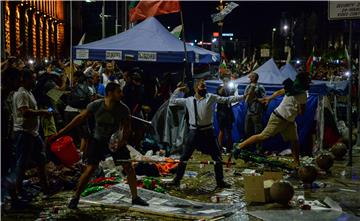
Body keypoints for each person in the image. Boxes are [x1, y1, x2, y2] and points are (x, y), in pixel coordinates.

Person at [49, 82, 148, 209]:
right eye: (119, 91)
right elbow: (79, 118)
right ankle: (75, 197)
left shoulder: (123, 109)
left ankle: (135, 197)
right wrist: (60, 133)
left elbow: (127, 128)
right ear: (110, 92)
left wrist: (122, 142)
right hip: (98, 140)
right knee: (90, 169)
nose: (121, 94)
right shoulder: (96, 105)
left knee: (128, 167)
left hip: (114, 142)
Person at [169, 79, 243, 188]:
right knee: (184, 157)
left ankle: (220, 181)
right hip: (194, 132)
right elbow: (172, 101)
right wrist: (178, 89)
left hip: (208, 132)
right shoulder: (188, 100)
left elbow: (227, 100)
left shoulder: (211, 97)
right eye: (202, 87)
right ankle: (177, 179)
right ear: (196, 88)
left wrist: (243, 96)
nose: (204, 89)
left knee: (217, 158)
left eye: (205, 87)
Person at [234, 72, 311, 167]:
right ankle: (239, 146)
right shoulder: (302, 94)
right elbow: (301, 112)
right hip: (278, 118)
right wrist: (298, 106)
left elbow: (278, 92)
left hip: (289, 121)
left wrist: (269, 99)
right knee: (262, 136)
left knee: (294, 140)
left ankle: (296, 162)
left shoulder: (290, 88)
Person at [8, 69, 51, 208]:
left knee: (41, 158)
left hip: (32, 133)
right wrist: (42, 112)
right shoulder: (21, 93)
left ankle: (45, 188)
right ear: (25, 79)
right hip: (24, 133)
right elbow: (25, 112)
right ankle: (17, 192)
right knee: (21, 165)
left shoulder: (29, 92)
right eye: (32, 78)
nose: (35, 81)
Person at [243, 72, 266, 152]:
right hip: (249, 112)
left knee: (258, 132)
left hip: (257, 112)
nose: (249, 78)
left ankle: (259, 150)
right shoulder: (248, 86)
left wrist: (257, 99)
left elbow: (264, 99)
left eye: (251, 77)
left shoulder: (260, 87)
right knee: (247, 131)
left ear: (255, 78)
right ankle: (248, 149)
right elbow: (245, 97)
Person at [216, 79, 235, 153]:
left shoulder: (229, 89)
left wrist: (231, 90)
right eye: (226, 82)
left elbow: (232, 97)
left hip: (229, 112)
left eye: (228, 82)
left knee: (229, 131)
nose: (227, 83)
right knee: (222, 130)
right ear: (223, 82)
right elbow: (219, 93)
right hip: (221, 112)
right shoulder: (219, 88)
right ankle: (219, 147)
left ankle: (229, 148)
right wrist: (224, 86)